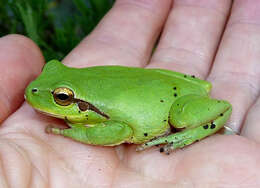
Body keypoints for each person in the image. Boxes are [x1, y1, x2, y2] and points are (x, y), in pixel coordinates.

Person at [1, 0, 260, 187]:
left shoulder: (94, 115)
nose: (36, 91)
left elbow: (121, 130)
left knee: (181, 119)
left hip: (177, 104)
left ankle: (190, 134)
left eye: (62, 97)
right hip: (160, 85)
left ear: (78, 104)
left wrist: (76, 131)